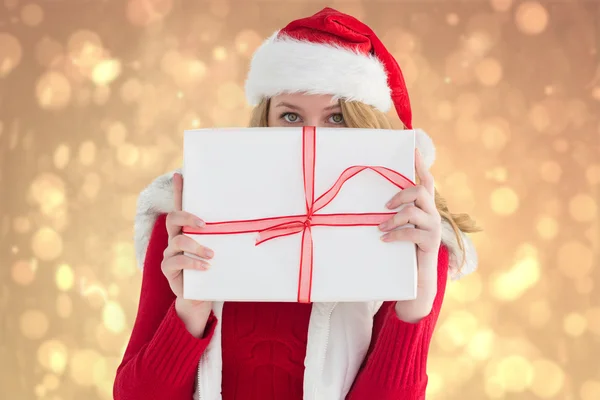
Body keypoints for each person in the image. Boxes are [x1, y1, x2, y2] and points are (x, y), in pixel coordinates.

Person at [114, 7, 479, 400]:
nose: (311, 138)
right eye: (291, 115)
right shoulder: (189, 222)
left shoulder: (412, 237)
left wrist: (415, 305)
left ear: (367, 126)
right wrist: (190, 308)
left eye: (337, 118)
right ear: (264, 121)